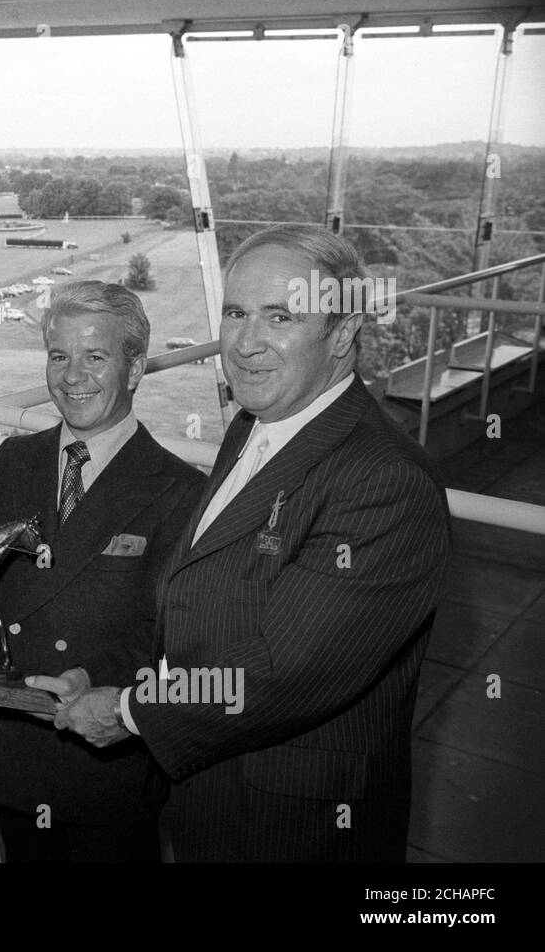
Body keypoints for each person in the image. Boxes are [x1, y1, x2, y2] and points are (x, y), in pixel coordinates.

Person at [41, 228, 451, 862]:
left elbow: (284, 671)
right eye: (235, 313)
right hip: (212, 794)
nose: (245, 342)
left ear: (342, 333)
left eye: (281, 317)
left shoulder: (383, 481)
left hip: (294, 823)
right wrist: (123, 677)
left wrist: (127, 709)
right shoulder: (255, 425)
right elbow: (208, 601)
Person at [0, 281, 205, 862]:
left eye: (96, 357)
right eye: (59, 356)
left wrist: (109, 690)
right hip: (15, 749)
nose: (73, 376)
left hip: (107, 761)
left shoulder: (179, 490)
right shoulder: (15, 459)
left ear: (136, 367)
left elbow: (178, 641)